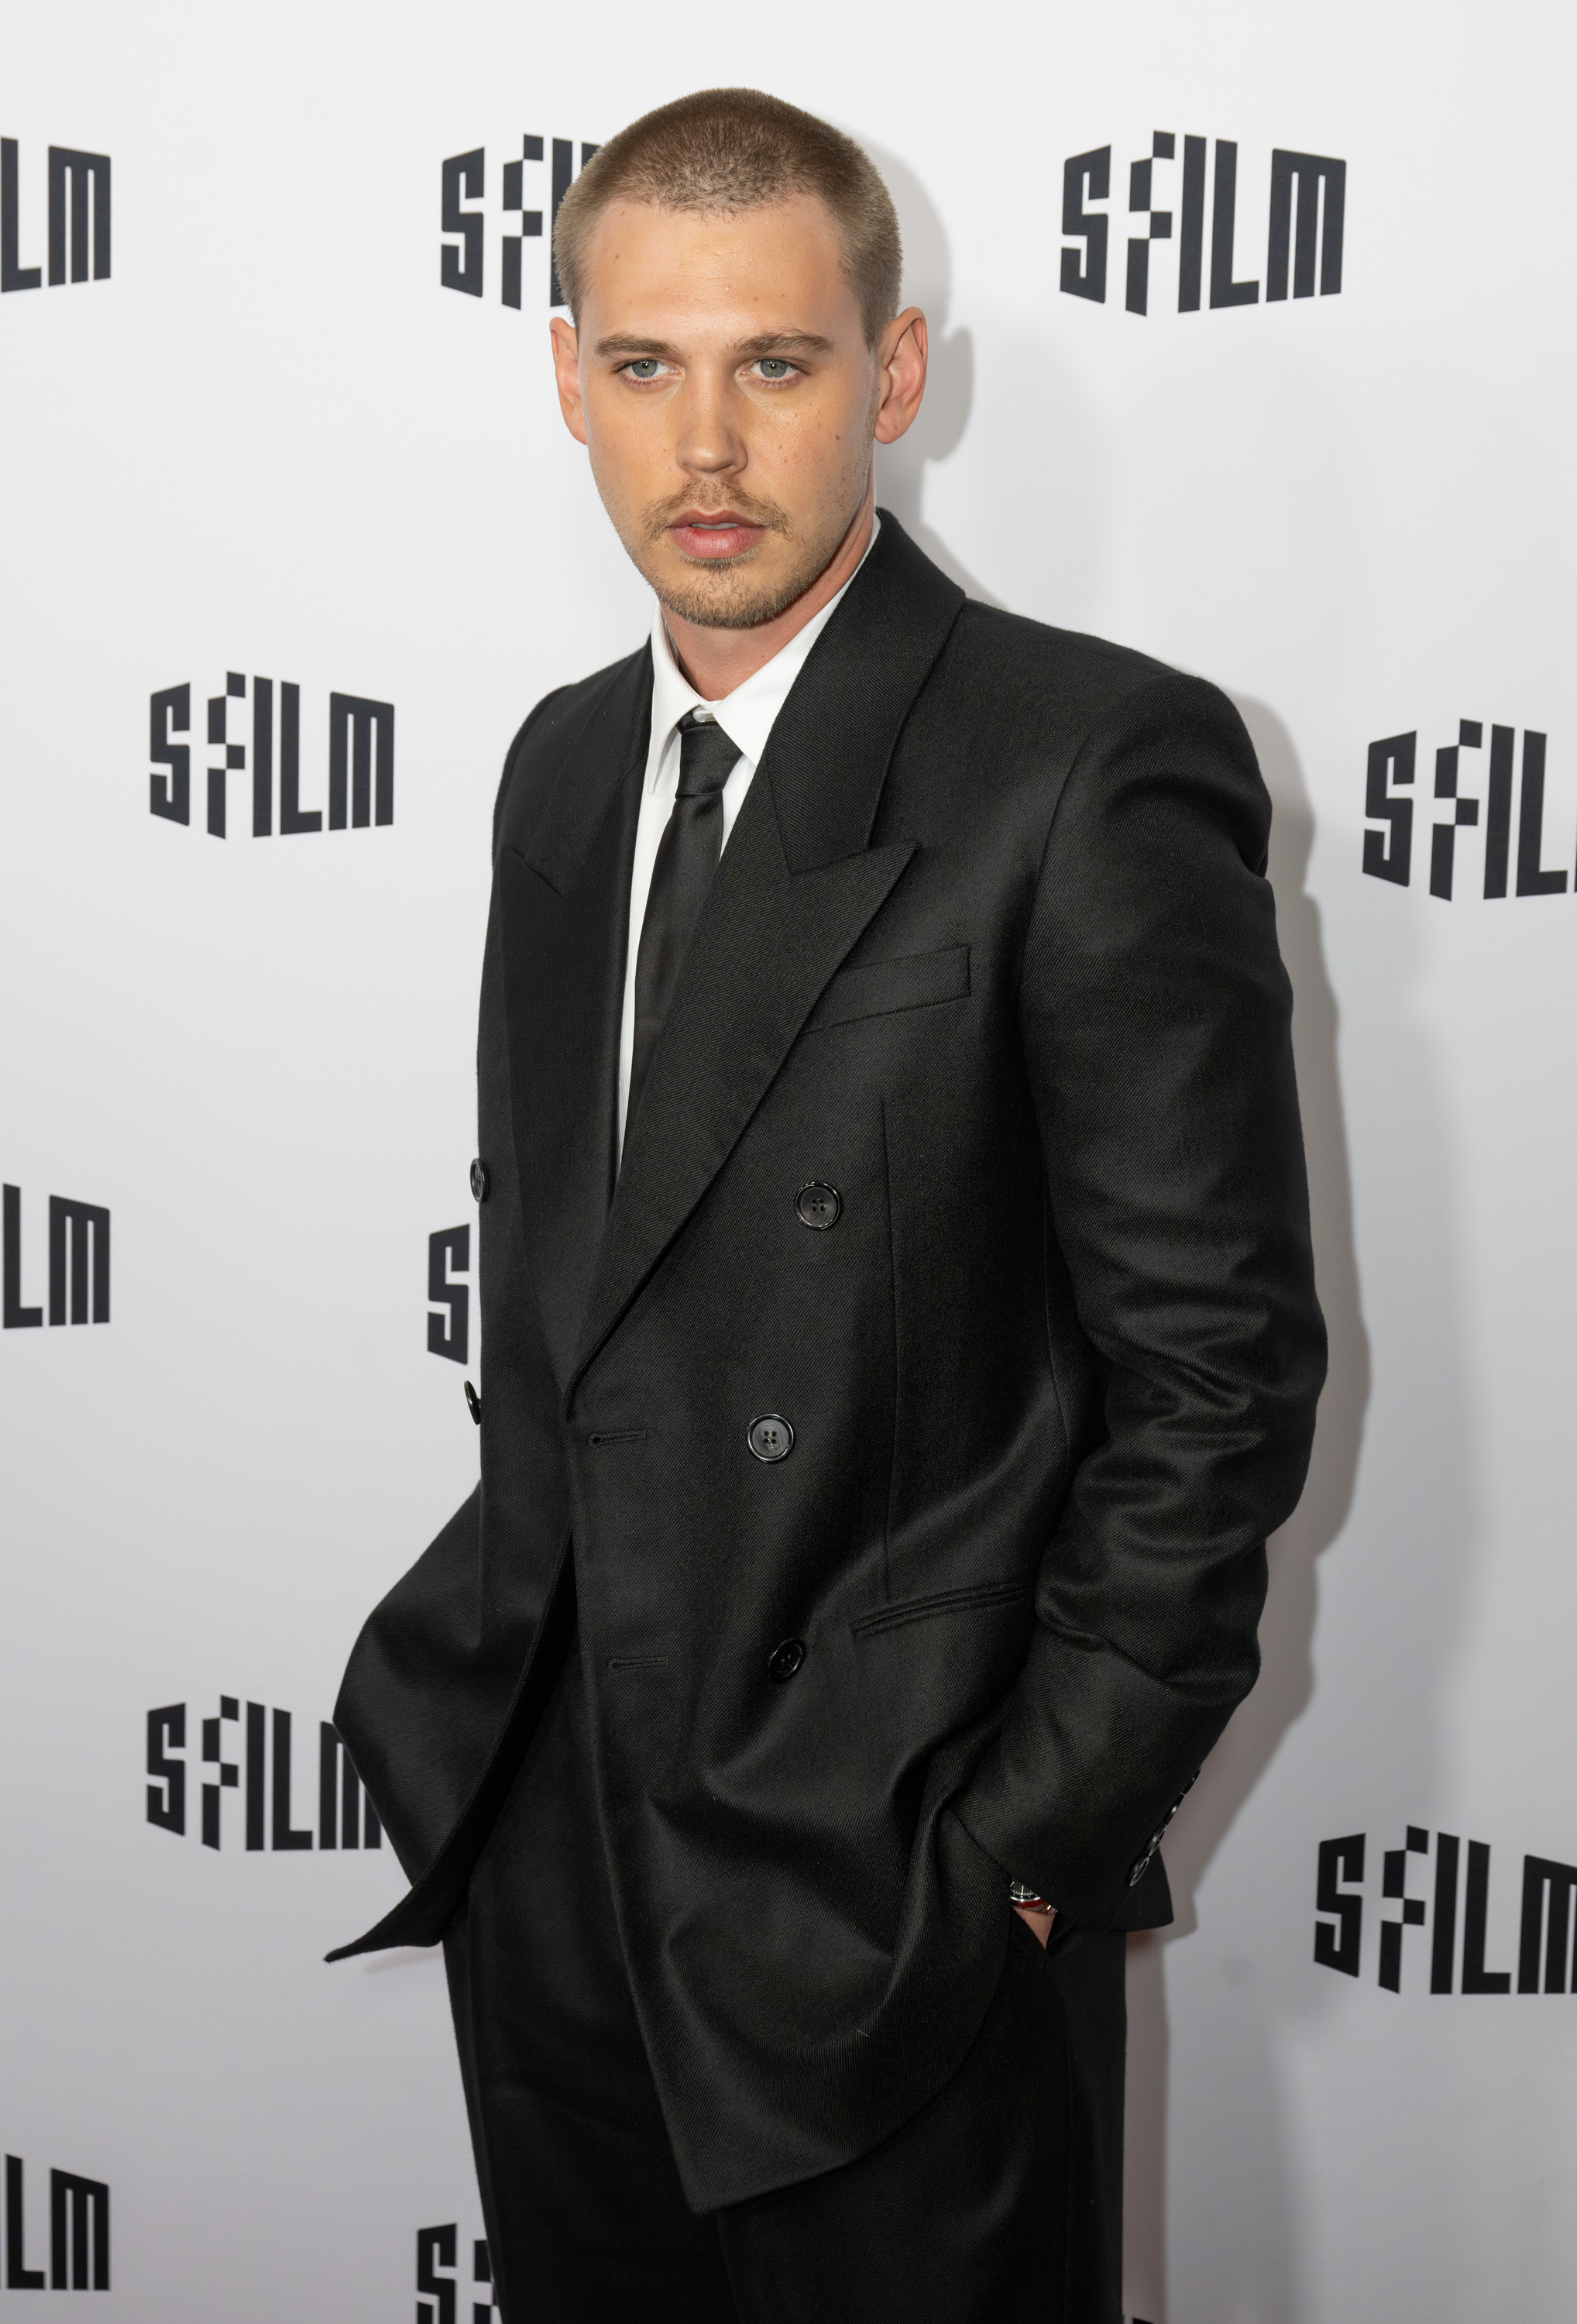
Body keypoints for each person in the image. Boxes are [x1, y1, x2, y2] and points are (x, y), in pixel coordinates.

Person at [330, 86, 1325, 2324]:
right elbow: (570, 1309)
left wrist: (1021, 1866)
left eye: (774, 366)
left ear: (888, 379)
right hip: (559, 1864)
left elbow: (1218, 1387)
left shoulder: (1083, 763)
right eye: (650, 365)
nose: (707, 446)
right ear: (567, 378)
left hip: (885, 1905)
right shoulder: (563, 761)